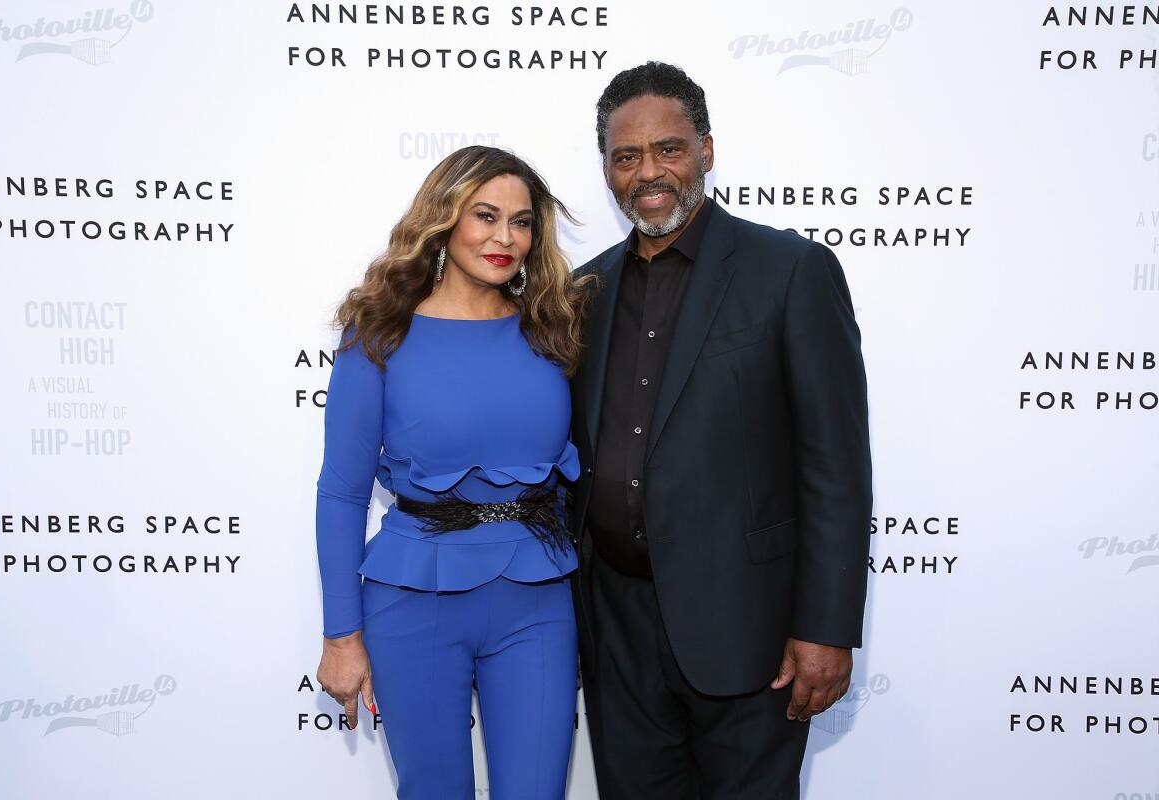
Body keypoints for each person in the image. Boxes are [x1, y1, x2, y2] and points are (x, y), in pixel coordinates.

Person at [568, 62, 873, 799]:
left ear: (707, 150)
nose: (649, 172)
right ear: (607, 168)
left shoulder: (790, 270)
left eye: (668, 148)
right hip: (618, 631)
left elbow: (835, 466)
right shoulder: (585, 292)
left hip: (750, 632)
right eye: (626, 155)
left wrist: (828, 628)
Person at [314, 145, 591, 800]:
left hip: (539, 602)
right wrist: (340, 634)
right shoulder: (378, 336)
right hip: (414, 603)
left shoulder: (554, 329)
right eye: (485, 215)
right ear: (445, 218)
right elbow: (342, 493)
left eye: (521, 222)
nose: (505, 238)